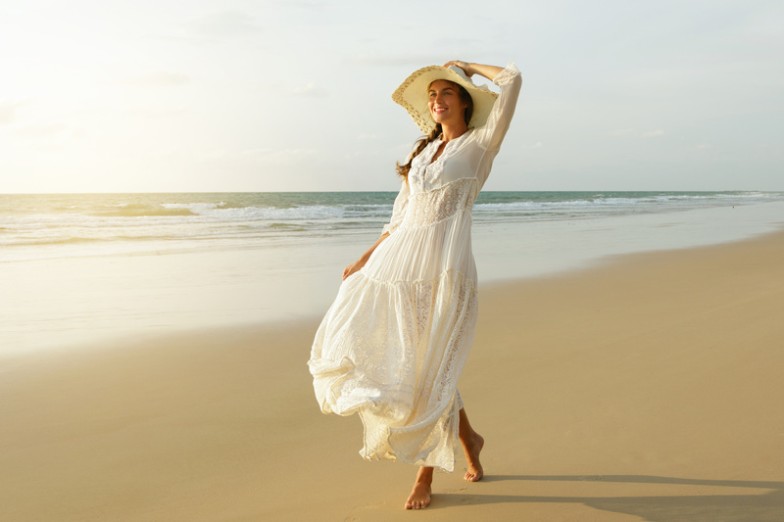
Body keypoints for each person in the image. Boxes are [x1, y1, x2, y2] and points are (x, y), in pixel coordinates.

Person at [308, 59, 522, 510]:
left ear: (464, 101)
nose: (437, 100)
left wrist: (466, 66)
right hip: (399, 264)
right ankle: (471, 440)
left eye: (446, 93)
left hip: (445, 267)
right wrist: (365, 257)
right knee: (419, 362)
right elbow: (400, 217)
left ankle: (425, 476)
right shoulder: (422, 153)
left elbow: (512, 80)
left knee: (430, 365)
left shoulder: (482, 144)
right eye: (432, 95)